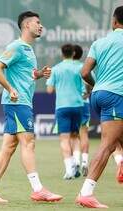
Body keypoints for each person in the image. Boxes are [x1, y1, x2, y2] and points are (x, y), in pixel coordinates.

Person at [0, 11, 62, 203]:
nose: (41, 26)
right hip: (17, 102)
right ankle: (38, 189)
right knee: (28, 142)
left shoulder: (28, 49)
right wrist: (10, 89)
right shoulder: (16, 46)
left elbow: (25, 74)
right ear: (26, 25)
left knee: (8, 147)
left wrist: (38, 74)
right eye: (37, 23)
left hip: (20, 101)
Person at [76, 6, 123, 208]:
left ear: (114, 22)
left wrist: (98, 86)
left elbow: (85, 72)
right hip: (117, 95)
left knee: (115, 141)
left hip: (98, 95)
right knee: (107, 145)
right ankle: (86, 193)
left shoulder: (100, 42)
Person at [46, 44, 84, 179]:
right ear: (73, 53)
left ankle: (69, 169)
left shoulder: (56, 69)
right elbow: (89, 83)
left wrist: (61, 88)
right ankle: (77, 161)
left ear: (62, 54)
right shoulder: (80, 67)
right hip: (78, 105)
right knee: (75, 136)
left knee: (64, 139)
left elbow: (49, 90)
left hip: (62, 106)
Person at [72, 44, 90, 177]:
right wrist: (87, 93)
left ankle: (76, 161)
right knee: (84, 134)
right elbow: (90, 82)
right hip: (84, 103)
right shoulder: (84, 67)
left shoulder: (64, 67)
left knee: (73, 135)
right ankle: (85, 161)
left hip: (71, 103)